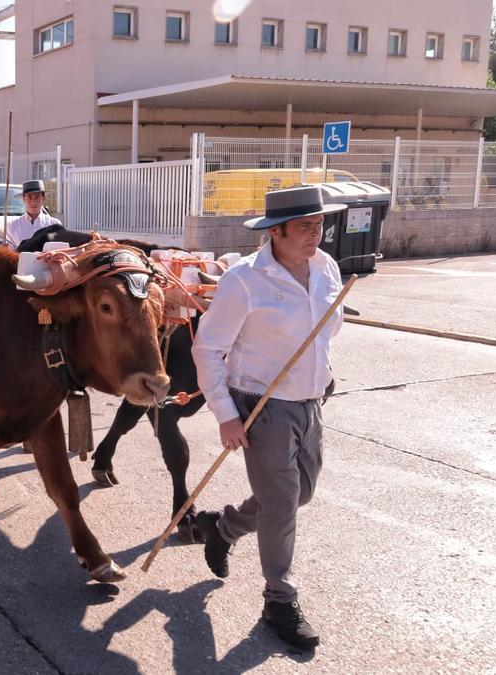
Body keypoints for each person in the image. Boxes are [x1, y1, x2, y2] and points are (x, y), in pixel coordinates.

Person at [190, 185, 346, 651]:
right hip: (262, 406)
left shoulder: (327, 268)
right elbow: (208, 349)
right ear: (275, 231)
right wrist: (225, 415)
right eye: (304, 226)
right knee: (281, 504)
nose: (314, 235)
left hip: (311, 402)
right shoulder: (244, 280)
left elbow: (324, 334)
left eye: (319, 225)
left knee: (302, 493)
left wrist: (324, 375)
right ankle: (279, 599)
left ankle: (224, 527)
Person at [4, 180, 62, 248]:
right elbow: (10, 253)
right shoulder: (12, 226)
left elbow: (59, 251)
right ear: (23, 199)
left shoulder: (54, 225)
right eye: (29, 197)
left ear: (44, 198)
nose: (33, 201)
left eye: (37, 197)